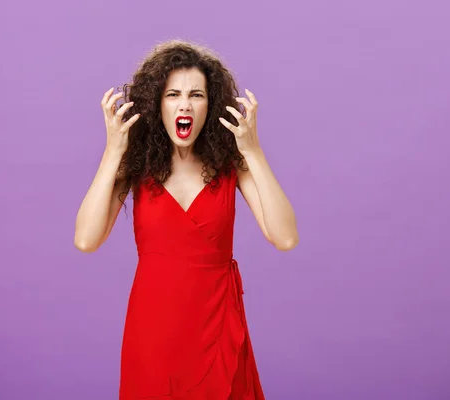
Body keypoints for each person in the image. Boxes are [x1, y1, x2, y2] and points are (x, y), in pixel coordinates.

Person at [74, 40, 299, 399]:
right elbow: (86, 240)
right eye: (172, 94)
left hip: (217, 325)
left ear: (210, 105)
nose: (184, 104)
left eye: (196, 95)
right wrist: (113, 150)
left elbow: (285, 237)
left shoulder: (231, 166)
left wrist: (253, 151)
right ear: (156, 104)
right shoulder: (136, 168)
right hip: (153, 331)